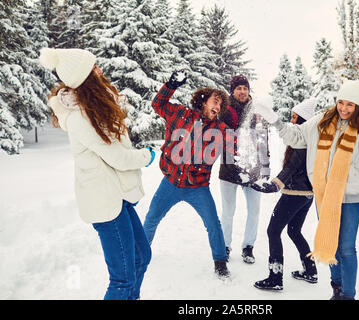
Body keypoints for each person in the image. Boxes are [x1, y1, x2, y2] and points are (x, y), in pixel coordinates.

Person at [254, 80, 359, 300]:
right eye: (341, 102)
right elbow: (296, 137)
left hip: (351, 197)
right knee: (331, 246)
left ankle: (348, 295)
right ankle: (337, 289)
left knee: (346, 249)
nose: (343, 108)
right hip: (324, 195)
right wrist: (274, 120)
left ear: (358, 106)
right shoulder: (321, 122)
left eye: (349, 105)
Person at [40, 47, 155, 300]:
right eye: (94, 67)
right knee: (122, 279)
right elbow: (118, 157)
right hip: (105, 202)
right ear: (86, 77)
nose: (100, 70)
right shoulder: (81, 117)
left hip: (118, 195)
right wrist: (148, 156)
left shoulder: (93, 107)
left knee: (141, 257)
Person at [143, 71, 235, 279]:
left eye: (221, 105)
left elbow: (235, 150)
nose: (218, 107)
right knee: (151, 218)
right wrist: (171, 85)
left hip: (198, 188)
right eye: (215, 101)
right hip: (171, 182)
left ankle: (220, 262)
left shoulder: (220, 129)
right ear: (203, 101)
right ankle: (140, 252)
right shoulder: (180, 114)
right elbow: (158, 104)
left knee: (213, 224)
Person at [251, 98, 317, 291]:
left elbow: (291, 168)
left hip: (295, 193)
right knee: (294, 231)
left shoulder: (300, 141)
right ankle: (310, 270)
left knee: (273, 231)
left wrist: (274, 185)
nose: (292, 120)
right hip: (307, 195)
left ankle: (275, 277)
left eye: (295, 117)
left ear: (304, 121)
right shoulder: (307, 140)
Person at [218, 75, 271, 264]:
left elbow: (263, 139)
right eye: (238, 88)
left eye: (245, 88)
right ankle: (224, 245)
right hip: (229, 168)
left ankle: (248, 247)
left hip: (253, 170)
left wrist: (265, 167)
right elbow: (219, 134)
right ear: (232, 91)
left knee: (254, 210)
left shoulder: (257, 111)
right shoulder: (225, 109)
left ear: (249, 91)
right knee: (228, 211)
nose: (242, 91)